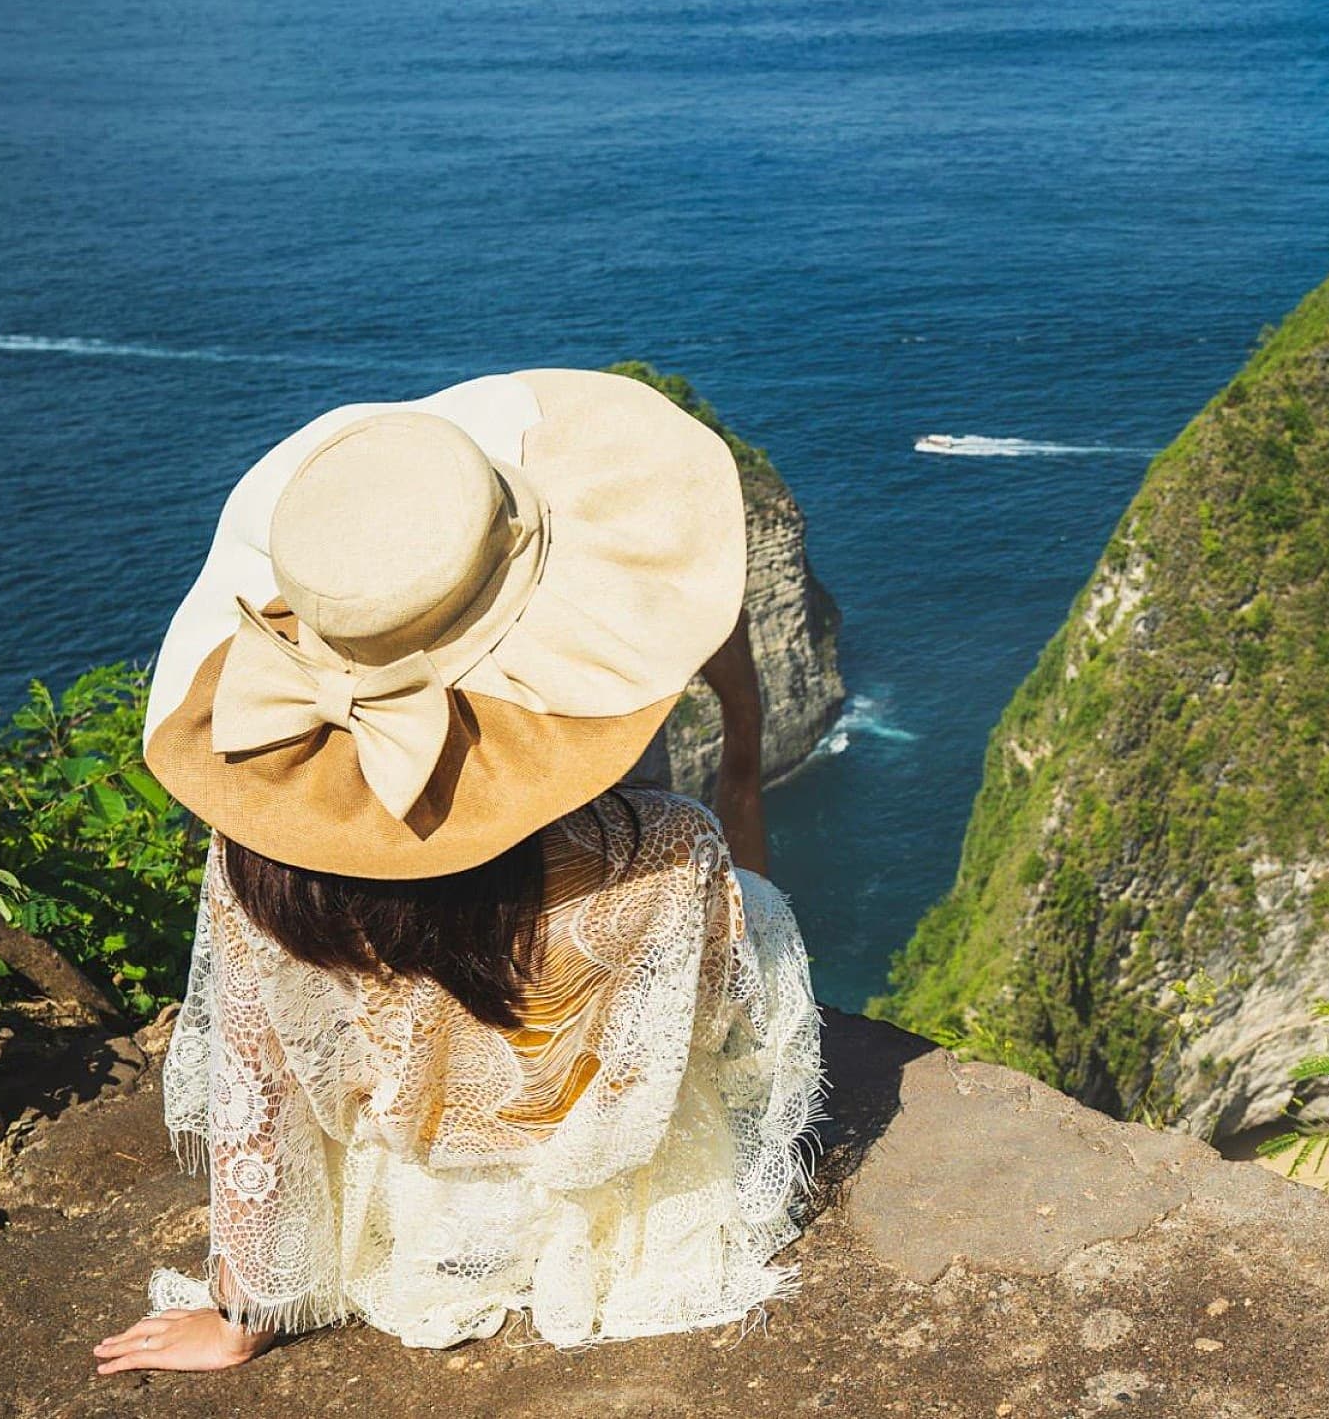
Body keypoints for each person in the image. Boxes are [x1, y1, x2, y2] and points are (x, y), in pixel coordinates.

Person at [92, 369, 821, 1372]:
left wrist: (246, 1306)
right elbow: (738, 1026)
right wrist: (741, 776)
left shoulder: (267, 859)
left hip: (406, 1233)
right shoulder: (665, 853)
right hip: (621, 1230)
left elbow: (253, 1077)